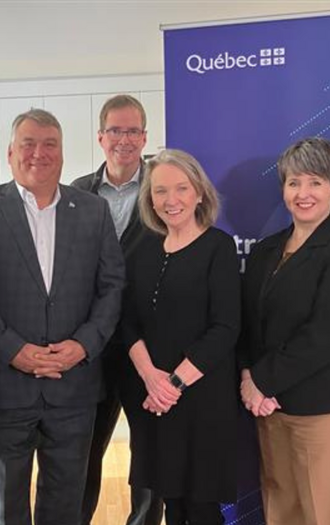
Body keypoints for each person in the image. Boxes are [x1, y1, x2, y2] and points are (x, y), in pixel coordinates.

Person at [0, 109, 126, 525]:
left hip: (74, 385)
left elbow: (112, 286)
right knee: (5, 506)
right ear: (11, 152)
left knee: (66, 505)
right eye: (28, 143)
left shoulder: (93, 210)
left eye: (50, 144)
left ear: (62, 153)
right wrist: (13, 350)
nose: (39, 153)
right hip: (5, 385)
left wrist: (83, 345)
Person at [238, 138, 330, 525]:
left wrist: (261, 381)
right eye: (294, 182)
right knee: (282, 515)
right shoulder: (265, 251)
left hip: (329, 412)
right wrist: (248, 375)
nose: (303, 193)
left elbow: (326, 335)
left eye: (315, 182)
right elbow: (248, 323)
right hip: (272, 411)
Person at [118, 149, 239, 525]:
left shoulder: (218, 247)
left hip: (201, 398)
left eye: (181, 188)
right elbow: (127, 321)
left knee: (201, 508)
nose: (171, 200)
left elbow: (225, 328)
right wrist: (150, 378)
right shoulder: (141, 251)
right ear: (150, 199)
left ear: (199, 193)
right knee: (170, 502)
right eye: (160, 191)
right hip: (153, 397)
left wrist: (172, 385)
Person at [71, 94, 161, 525]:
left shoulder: (165, 188)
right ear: (100, 137)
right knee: (83, 450)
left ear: (144, 137)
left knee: (149, 453)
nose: (123, 139)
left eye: (132, 131)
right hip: (91, 345)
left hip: (148, 342)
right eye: (115, 131)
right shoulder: (75, 193)